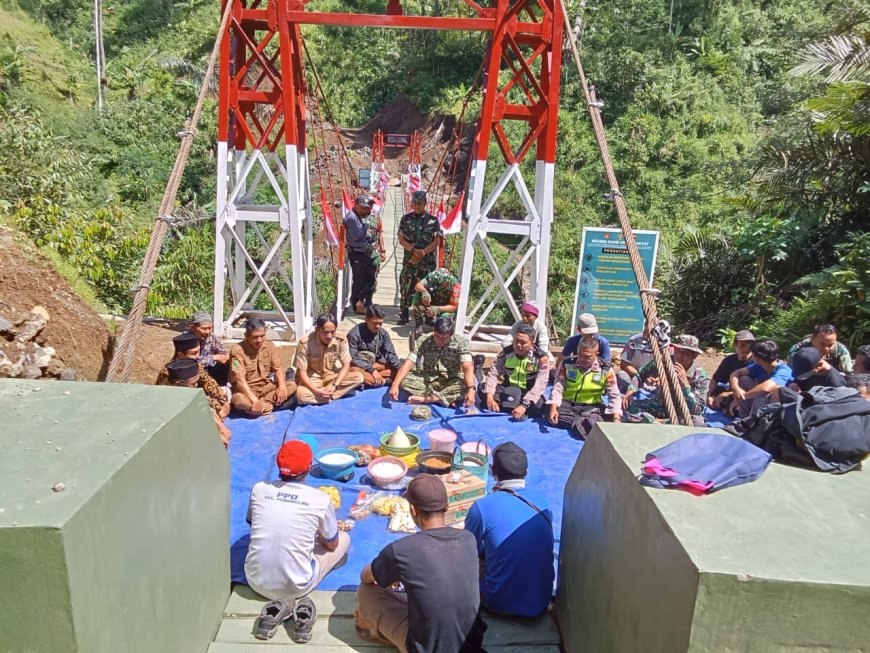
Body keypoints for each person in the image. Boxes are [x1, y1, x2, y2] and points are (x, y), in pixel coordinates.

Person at [355, 474, 486, 653]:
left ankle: (380, 632)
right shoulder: (468, 539)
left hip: (426, 649)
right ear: (447, 507)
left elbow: (366, 577)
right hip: (471, 645)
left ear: (413, 511)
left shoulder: (401, 550)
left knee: (365, 592)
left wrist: (390, 570)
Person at [245, 440, 350, 642]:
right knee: (344, 539)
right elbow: (332, 544)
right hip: (297, 585)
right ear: (309, 467)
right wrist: (316, 530)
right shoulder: (320, 499)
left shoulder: (259, 488)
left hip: (255, 580)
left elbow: (252, 522)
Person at [464, 442, 554, 618]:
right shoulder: (543, 503)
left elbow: (468, 550)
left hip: (498, 603)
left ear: (492, 470)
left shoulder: (482, 506)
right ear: (526, 472)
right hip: (541, 603)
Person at [389, 317, 476, 407]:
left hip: (450, 379)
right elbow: (409, 362)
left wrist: (471, 389)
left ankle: (429, 399)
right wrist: (395, 384)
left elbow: (467, 367)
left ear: (451, 335)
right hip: (428, 379)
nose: (440, 341)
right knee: (404, 381)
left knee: (465, 385)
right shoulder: (424, 340)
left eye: (444, 338)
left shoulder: (461, 342)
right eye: (437, 336)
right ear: (433, 331)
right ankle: (445, 398)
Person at [623, 335, 709, 423]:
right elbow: (640, 376)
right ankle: (657, 422)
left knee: (698, 421)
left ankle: (659, 422)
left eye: (685, 353)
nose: (679, 355)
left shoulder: (700, 376)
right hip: (661, 406)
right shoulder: (664, 361)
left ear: (694, 355)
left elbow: (697, 410)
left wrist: (685, 386)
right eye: (677, 350)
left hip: (683, 413)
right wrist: (631, 391)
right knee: (629, 406)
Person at [548, 335, 622, 439]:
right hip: (568, 405)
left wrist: (616, 418)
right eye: (580, 355)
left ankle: (583, 422)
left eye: (587, 357)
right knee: (550, 413)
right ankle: (584, 423)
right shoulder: (567, 364)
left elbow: (614, 393)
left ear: (596, 354)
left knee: (601, 418)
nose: (582, 359)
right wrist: (553, 408)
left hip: (592, 407)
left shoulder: (605, 369)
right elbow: (558, 387)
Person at [229, 318, 296, 416]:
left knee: (292, 386)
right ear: (246, 336)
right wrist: (255, 401)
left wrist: (281, 386)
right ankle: (266, 406)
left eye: (262, 336)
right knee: (239, 401)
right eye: (255, 337)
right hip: (247, 392)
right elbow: (239, 381)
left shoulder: (269, 345)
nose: (259, 340)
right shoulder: (236, 351)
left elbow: (278, 368)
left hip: (266, 388)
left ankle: (261, 407)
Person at [482, 324, 550, 419]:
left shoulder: (541, 358)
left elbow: (540, 384)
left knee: (541, 406)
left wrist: (524, 405)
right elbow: (493, 373)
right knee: (483, 389)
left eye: (523, 342)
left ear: (532, 343)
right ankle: (512, 406)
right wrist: (489, 396)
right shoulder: (506, 353)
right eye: (516, 340)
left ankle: (514, 407)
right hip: (509, 390)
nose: (518, 345)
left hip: (528, 394)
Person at [294, 313, 364, 405]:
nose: (329, 336)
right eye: (325, 332)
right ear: (317, 330)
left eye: (332, 332)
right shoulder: (305, 343)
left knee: (358, 378)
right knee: (301, 395)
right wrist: (315, 391)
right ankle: (333, 395)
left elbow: (346, 364)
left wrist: (335, 386)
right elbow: (302, 372)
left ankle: (325, 395)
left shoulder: (341, 340)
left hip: (332, 377)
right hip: (312, 379)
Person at [164, 358, 232, 446]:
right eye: (193, 384)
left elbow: (202, 403)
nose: (196, 385)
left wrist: (220, 425)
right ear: (178, 384)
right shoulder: (168, 398)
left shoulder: (187, 388)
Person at [397, 190, 441, 325]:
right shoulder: (406, 219)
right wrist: (414, 251)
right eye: (414, 203)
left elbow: (436, 241)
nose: (416, 206)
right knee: (406, 287)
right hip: (410, 262)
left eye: (419, 203)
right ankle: (404, 314)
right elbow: (401, 239)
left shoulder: (433, 221)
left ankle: (428, 315)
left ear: (425, 203)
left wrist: (423, 252)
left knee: (428, 289)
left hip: (426, 263)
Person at [729, 339, 793, 418]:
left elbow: (766, 388)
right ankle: (743, 417)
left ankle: (752, 422)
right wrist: (736, 389)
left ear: (757, 357)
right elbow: (736, 373)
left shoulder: (784, 370)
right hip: (760, 400)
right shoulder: (759, 366)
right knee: (743, 379)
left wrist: (742, 397)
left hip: (780, 408)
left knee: (760, 398)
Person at [344, 195, 384, 314]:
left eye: (367, 207)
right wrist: (366, 227)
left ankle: (361, 301)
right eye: (362, 207)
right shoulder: (352, 218)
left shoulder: (362, 216)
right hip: (358, 253)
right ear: (355, 204)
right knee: (360, 280)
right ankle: (357, 304)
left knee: (369, 279)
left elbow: (379, 233)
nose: (365, 210)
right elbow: (356, 236)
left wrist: (382, 250)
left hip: (366, 253)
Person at [348, 304, 403, 388]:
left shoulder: (383, 334)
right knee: (357, 374)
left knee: (401, 368)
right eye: (374, 323)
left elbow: (390, 354)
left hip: (377, 365)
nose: (378, 326)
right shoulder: (354, 334)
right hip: (361, 366)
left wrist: (399, 368)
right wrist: (372, 370)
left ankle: (377, 380)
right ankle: (385, 381)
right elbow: (353, 357)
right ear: (366, 319)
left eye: (380, 323)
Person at [706, 330, 755, 411]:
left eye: (749, 346)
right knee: (714, 392)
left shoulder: (756, 361)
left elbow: (759, 388)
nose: (746, 349)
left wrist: (727, 394)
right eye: (742, 345)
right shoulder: (729, 360)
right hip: (733, 391)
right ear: (735, 345)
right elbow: (715, 379)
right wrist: (709, 395)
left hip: (749, 394)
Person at [787, 324, 853, 374]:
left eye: (830, 345)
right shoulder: (797, 350)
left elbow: (849, 374)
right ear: (812, 339)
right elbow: (789, 372)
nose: (826, 348)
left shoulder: (841, 351)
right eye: (822, 344)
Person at [189, 311, 229, 385]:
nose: (208, 332)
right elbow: (189, 362)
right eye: (204, 329)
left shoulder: (211, 337)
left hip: (210, 371)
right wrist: (214, 357)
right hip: (192, 374)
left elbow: (222, 352)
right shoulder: (186, 340)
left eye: (210, 328)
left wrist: (227, 357)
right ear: (193, 328)